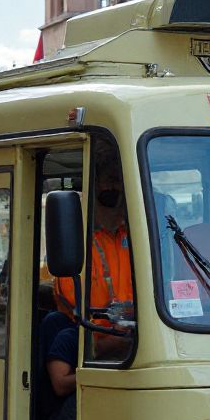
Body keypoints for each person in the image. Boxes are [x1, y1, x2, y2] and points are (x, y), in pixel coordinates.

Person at [54, 148, 134, 359]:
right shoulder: (76, 239)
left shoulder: (136, 238)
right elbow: (73, 302)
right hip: (87, 352)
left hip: (134, 341)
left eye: (120, 181)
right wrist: (110, 332)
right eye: (109, 179)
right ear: (93, 184)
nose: (113, 187)